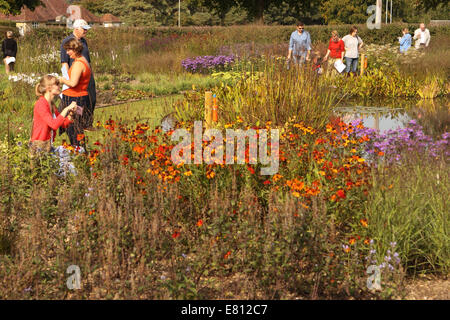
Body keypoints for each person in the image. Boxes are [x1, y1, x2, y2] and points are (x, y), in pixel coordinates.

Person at [60, 19, 96, 130]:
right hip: (75, 75)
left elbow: (87, 60)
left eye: (86, 29)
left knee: (92, 98)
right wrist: (67, 79)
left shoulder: (84, 41)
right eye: (84, 29)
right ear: (76, 29)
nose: (86, 31)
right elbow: (64, 62)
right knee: (76, 102)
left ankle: (87, 123)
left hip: (86, 74)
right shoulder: (68, 42)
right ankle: (68, 124)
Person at [30, 75, 77, 158]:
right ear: (49, 88)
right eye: (57, 84)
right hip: (39, 148)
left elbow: (63, 123)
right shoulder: (41, 104)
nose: (60, 86)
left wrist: (71, 114)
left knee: (76, 153)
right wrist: (66, 109)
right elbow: (54, 125)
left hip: (48, 146)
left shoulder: (51, 105)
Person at [59, 38, 92, 147]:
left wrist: (62, 79)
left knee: (73, 127)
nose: (67, 53)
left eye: (69, 50)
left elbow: (73, 83)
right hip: (76, 96)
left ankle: (78, 150)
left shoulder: (78, 63)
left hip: (75, 98)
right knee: (74, 126)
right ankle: (78, 149)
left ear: (76, 49)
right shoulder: (81, 60)